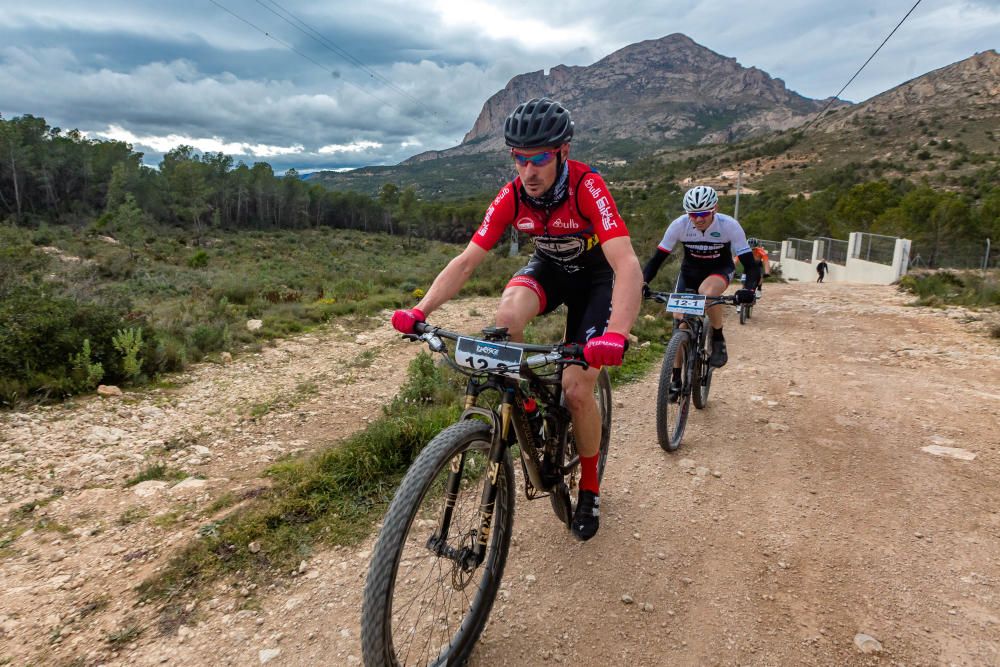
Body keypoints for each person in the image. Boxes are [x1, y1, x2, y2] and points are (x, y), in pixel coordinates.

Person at [391, 97, 643, 541]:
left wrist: (616, 334)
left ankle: (589, 485)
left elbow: (626, 264)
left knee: (576, 387)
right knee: (506, 317)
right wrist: (420, 311)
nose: (529, 171)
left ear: (562, 152)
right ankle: (525, 407)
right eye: (521, 159)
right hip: (550, 268)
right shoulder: (511, 195)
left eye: (540, 158)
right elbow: (467, 261)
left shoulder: (588, 187)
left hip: (596, 279)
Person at [641, 185, 758, 398]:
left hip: (719, 270)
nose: (698, 219)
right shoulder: (679, 225)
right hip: (690, 273)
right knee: (680, 319)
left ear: (715, 209)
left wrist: (748, 289)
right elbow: (656, 260)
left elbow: (751, 265)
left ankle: (718, 337)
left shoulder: (729, 226)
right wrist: (642, 282)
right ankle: (676, 376)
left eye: (704, 214)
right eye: (693, 215)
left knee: (706, 291)